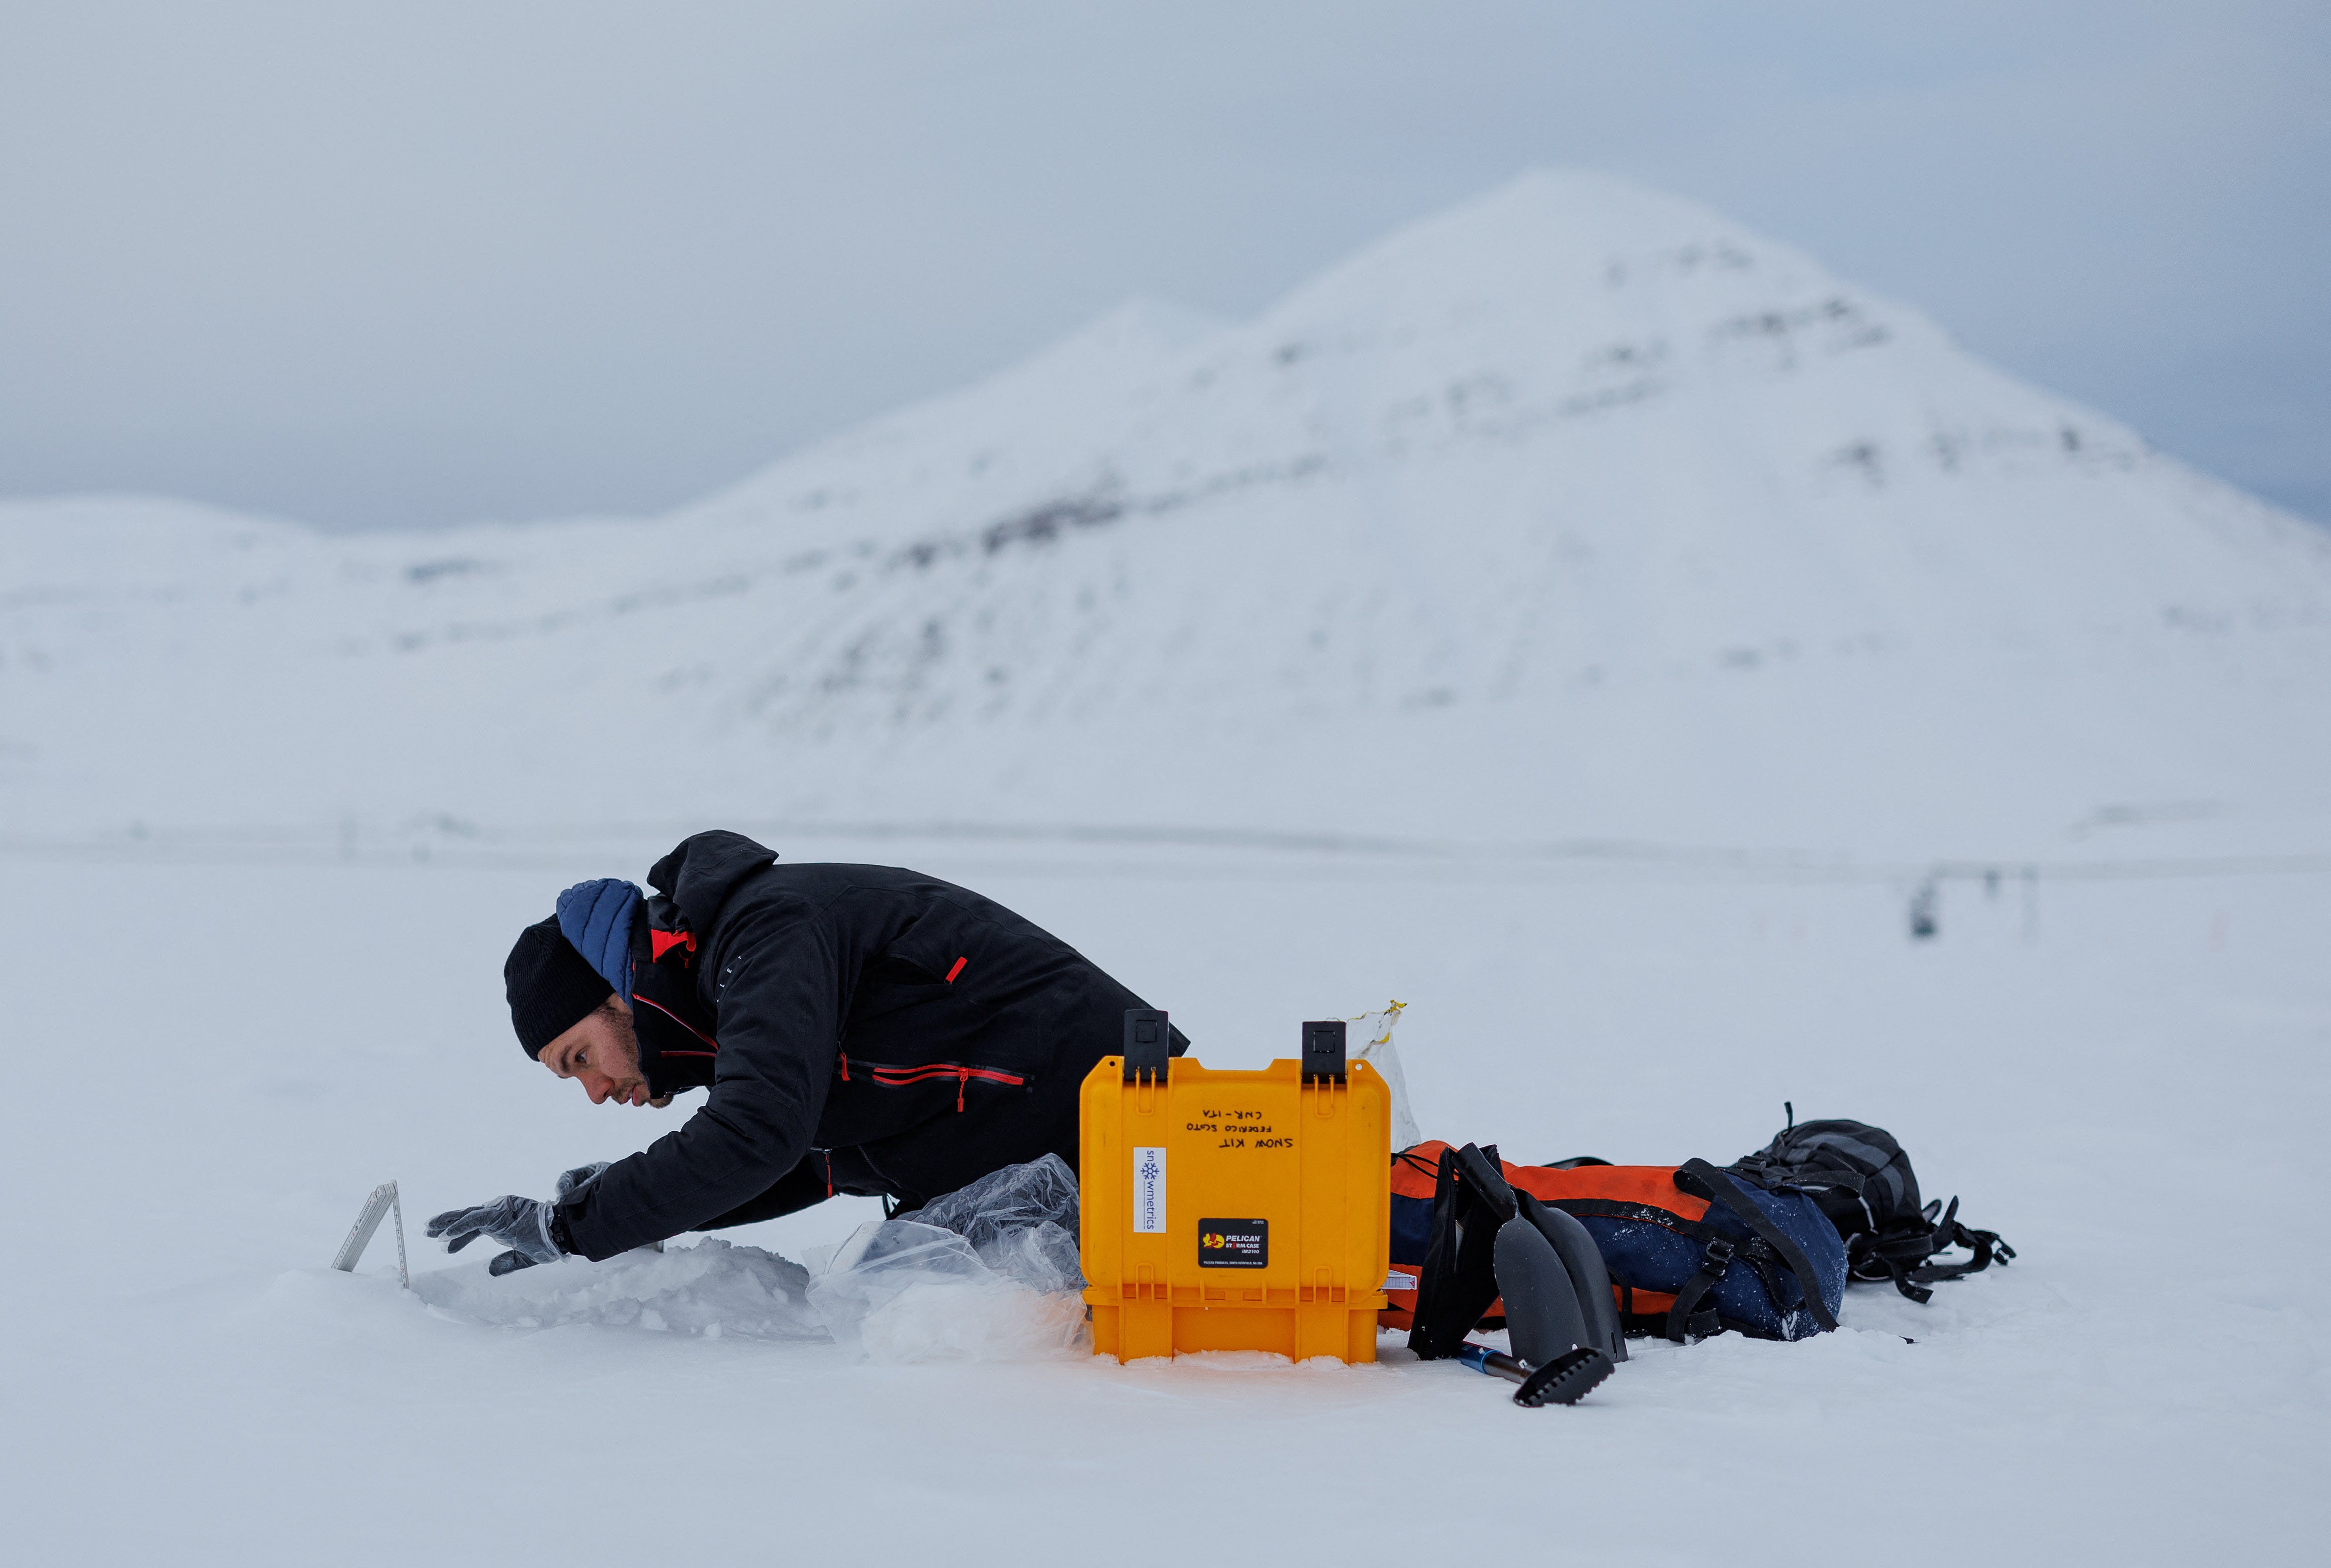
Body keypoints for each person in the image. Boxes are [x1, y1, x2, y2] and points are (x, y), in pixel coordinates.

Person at [427, 829, 1184, 1275]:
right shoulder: (725, 978)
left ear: (616, 993)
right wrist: (624, 1211)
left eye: (579, 1057)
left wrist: (577, 1226)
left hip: (1140, 1148)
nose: (594, 1091)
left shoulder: (764, 935)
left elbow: (760, 1132)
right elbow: (817, 1156)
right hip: (1059, 1168)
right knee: (883, 1300)